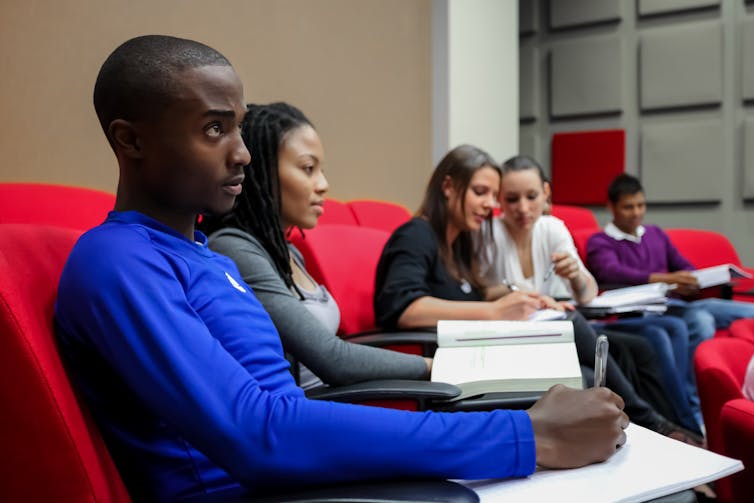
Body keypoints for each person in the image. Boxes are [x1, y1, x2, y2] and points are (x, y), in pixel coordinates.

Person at [53, 35, 627, 502]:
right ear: (130, 142)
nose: (242, 152)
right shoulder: (119, 259)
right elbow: (258, 433)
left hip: (298, 473)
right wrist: (524, 435)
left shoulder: (202, 253)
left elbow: (285, 412)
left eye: (238, 126)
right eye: (213, 129)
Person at [373, 145, 688, 438]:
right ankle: (647, 424)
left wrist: (521, 299)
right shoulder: (417, 234)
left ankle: (645, 428)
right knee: (577, 339)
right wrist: (494, 311)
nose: (490, 204)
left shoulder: (454, 247)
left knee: (591, 366)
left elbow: (472, 298)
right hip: (456, 361)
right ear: (448, 187)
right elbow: (402, 308)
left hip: (473, 350)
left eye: (493, 195)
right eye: (481, 193)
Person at [199, 102, 429, 390]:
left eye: (321, 170)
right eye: (308, 169)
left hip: (336, 402)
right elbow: (335, 360)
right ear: (260, 170)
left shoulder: (289, 252)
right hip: (303, 415)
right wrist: (437, 366)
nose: (323, 184)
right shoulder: (234, 249)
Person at [485, 155, 702, 437]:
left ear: (546, 194)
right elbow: (483, 290)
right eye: (512, 199)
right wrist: (533, 297)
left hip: (556, 325)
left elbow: (588, 293)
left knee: (639, 348)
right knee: (589, 335)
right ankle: (649, 421)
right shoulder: (489, 234)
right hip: (521, 330)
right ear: (500, 199)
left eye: (531, 196)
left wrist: (575, 273)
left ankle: (672, 427)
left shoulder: (551, 227)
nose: (523, 208)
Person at [586, 174, 754, 402]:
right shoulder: (599, 241)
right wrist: (662, 279)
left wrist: (696, 280)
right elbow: (611, 272)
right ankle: (693, 397)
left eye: (640, 205)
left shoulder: (655, 234)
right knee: (701, 321)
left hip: (678, 301)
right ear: (611, 207)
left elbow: (682, 265)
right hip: (643, 309)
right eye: (628, 207)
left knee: (748, 311)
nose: (636, 212)